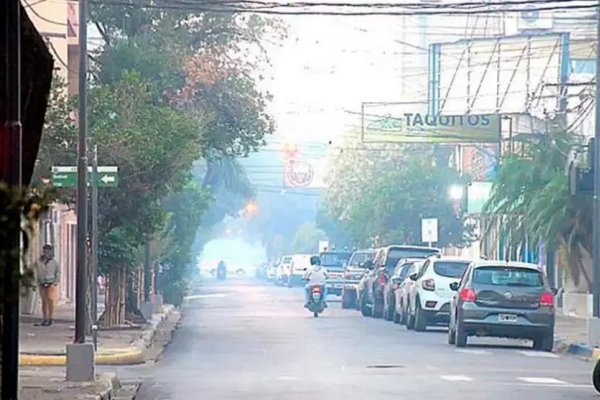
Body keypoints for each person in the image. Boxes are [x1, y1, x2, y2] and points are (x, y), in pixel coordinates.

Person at [36, 244, 61, 326]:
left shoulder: (54, 262)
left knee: (51, 301)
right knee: (44, 301)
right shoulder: (39, 261)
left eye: (48, 250)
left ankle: (50, 318)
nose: (46, 252)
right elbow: (36, 271)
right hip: (42, 283)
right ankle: (45, 318)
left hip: (51, 283)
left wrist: (56, 281)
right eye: (45, 250)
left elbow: (58, 272)